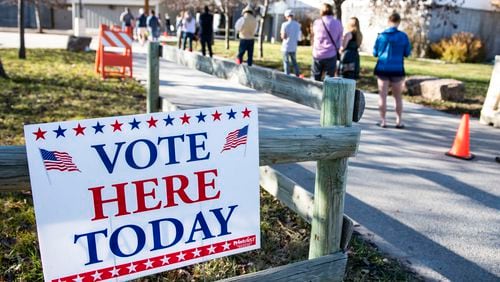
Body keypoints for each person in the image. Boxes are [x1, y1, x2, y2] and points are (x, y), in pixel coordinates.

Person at [373, 12, 412, 129]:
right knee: (398, 97)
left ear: (388, 22)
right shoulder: (403, 36)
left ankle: (383, 121)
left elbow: (375, 53)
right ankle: (398, 122)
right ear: (399, 22)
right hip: (397, 69)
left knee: (382, 96)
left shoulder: (381, 36)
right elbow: (407, 53)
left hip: (383, 68)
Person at [310, 1, 343, 81]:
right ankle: (326, 93)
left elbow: (313, 37)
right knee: (329, 79)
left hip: (317, 53)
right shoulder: (337, 23)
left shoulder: (317, 23)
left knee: (315, 78)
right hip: (331, 54)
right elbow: (339, 40)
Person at [280, 9, 302, 76]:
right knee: (294, 62)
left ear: (286, 16)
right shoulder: (298, 25)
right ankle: (297, 75)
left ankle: (287, 76)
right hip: (293, 46)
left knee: (286, 62)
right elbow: (299, 38)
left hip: (285, 47)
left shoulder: (284, 24)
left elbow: (283, 36)